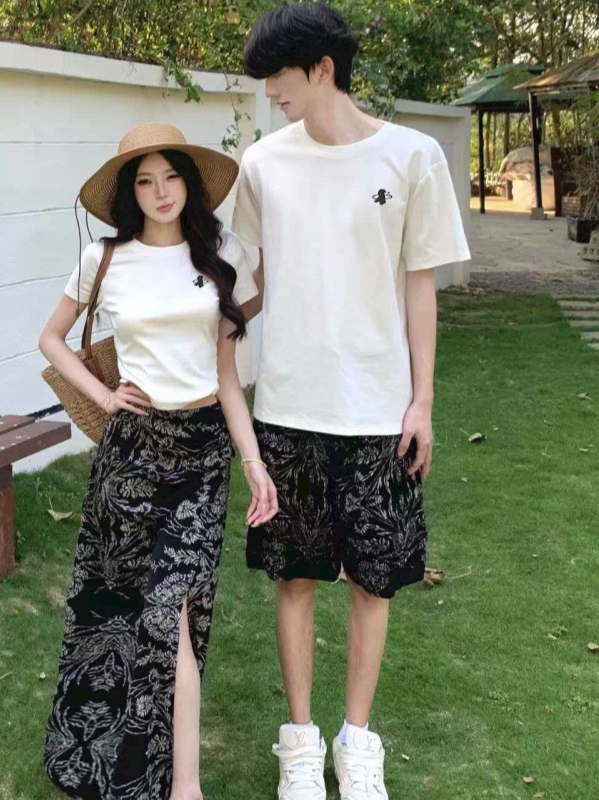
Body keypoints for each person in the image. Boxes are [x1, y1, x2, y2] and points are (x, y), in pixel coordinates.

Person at [232, 5, 471, 799]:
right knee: (295, 579)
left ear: (323, 69)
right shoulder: (262, 164)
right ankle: (300, 746)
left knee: (374, 581)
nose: (270, 92)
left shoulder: (413, 157)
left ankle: (356, 742)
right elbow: (248, 279)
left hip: (378, 410)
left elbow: (419, 285)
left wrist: (423, 399)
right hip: (288, 408)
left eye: (279, 76)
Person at [39, 122, 278, 800]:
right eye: (145, 181)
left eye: (170, 176)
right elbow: (51, 338)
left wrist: (254, 463)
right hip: (132, 454)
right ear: (130, 193)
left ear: (189, 183)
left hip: (201, 454)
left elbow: (226, 376)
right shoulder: (105, 259)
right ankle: (106, 754)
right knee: (116, 608)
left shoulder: (220, 254)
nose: (160, 191)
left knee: (176, 610)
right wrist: (105, 396)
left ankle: (185, 787)